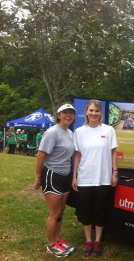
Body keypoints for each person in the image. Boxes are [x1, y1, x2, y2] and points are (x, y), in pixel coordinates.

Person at [72, 99, 118, 257]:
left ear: (101, 113)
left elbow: (113, 153)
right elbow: (77, 155)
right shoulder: (79, 132)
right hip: (85, 177)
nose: (93, 113)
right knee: (85, 210)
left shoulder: (109, 130)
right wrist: (74, 176)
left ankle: (97, 241)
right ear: (86, 112)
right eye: (91, 110)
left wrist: (115, 172)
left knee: (100, 210)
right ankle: (88, 241)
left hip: (103, 178)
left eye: (96, 111)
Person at [33, 103, 76, 258]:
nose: (68, 115)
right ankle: (51, 245)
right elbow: (41, 155)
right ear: (59, 115)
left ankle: (57, 239)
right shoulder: (52, 133)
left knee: (61, 211)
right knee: (54, 212)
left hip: (65, 175)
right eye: (65, 113)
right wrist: (38, 177)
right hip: (52, 175)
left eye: (71, 113)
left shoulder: (69, 133)